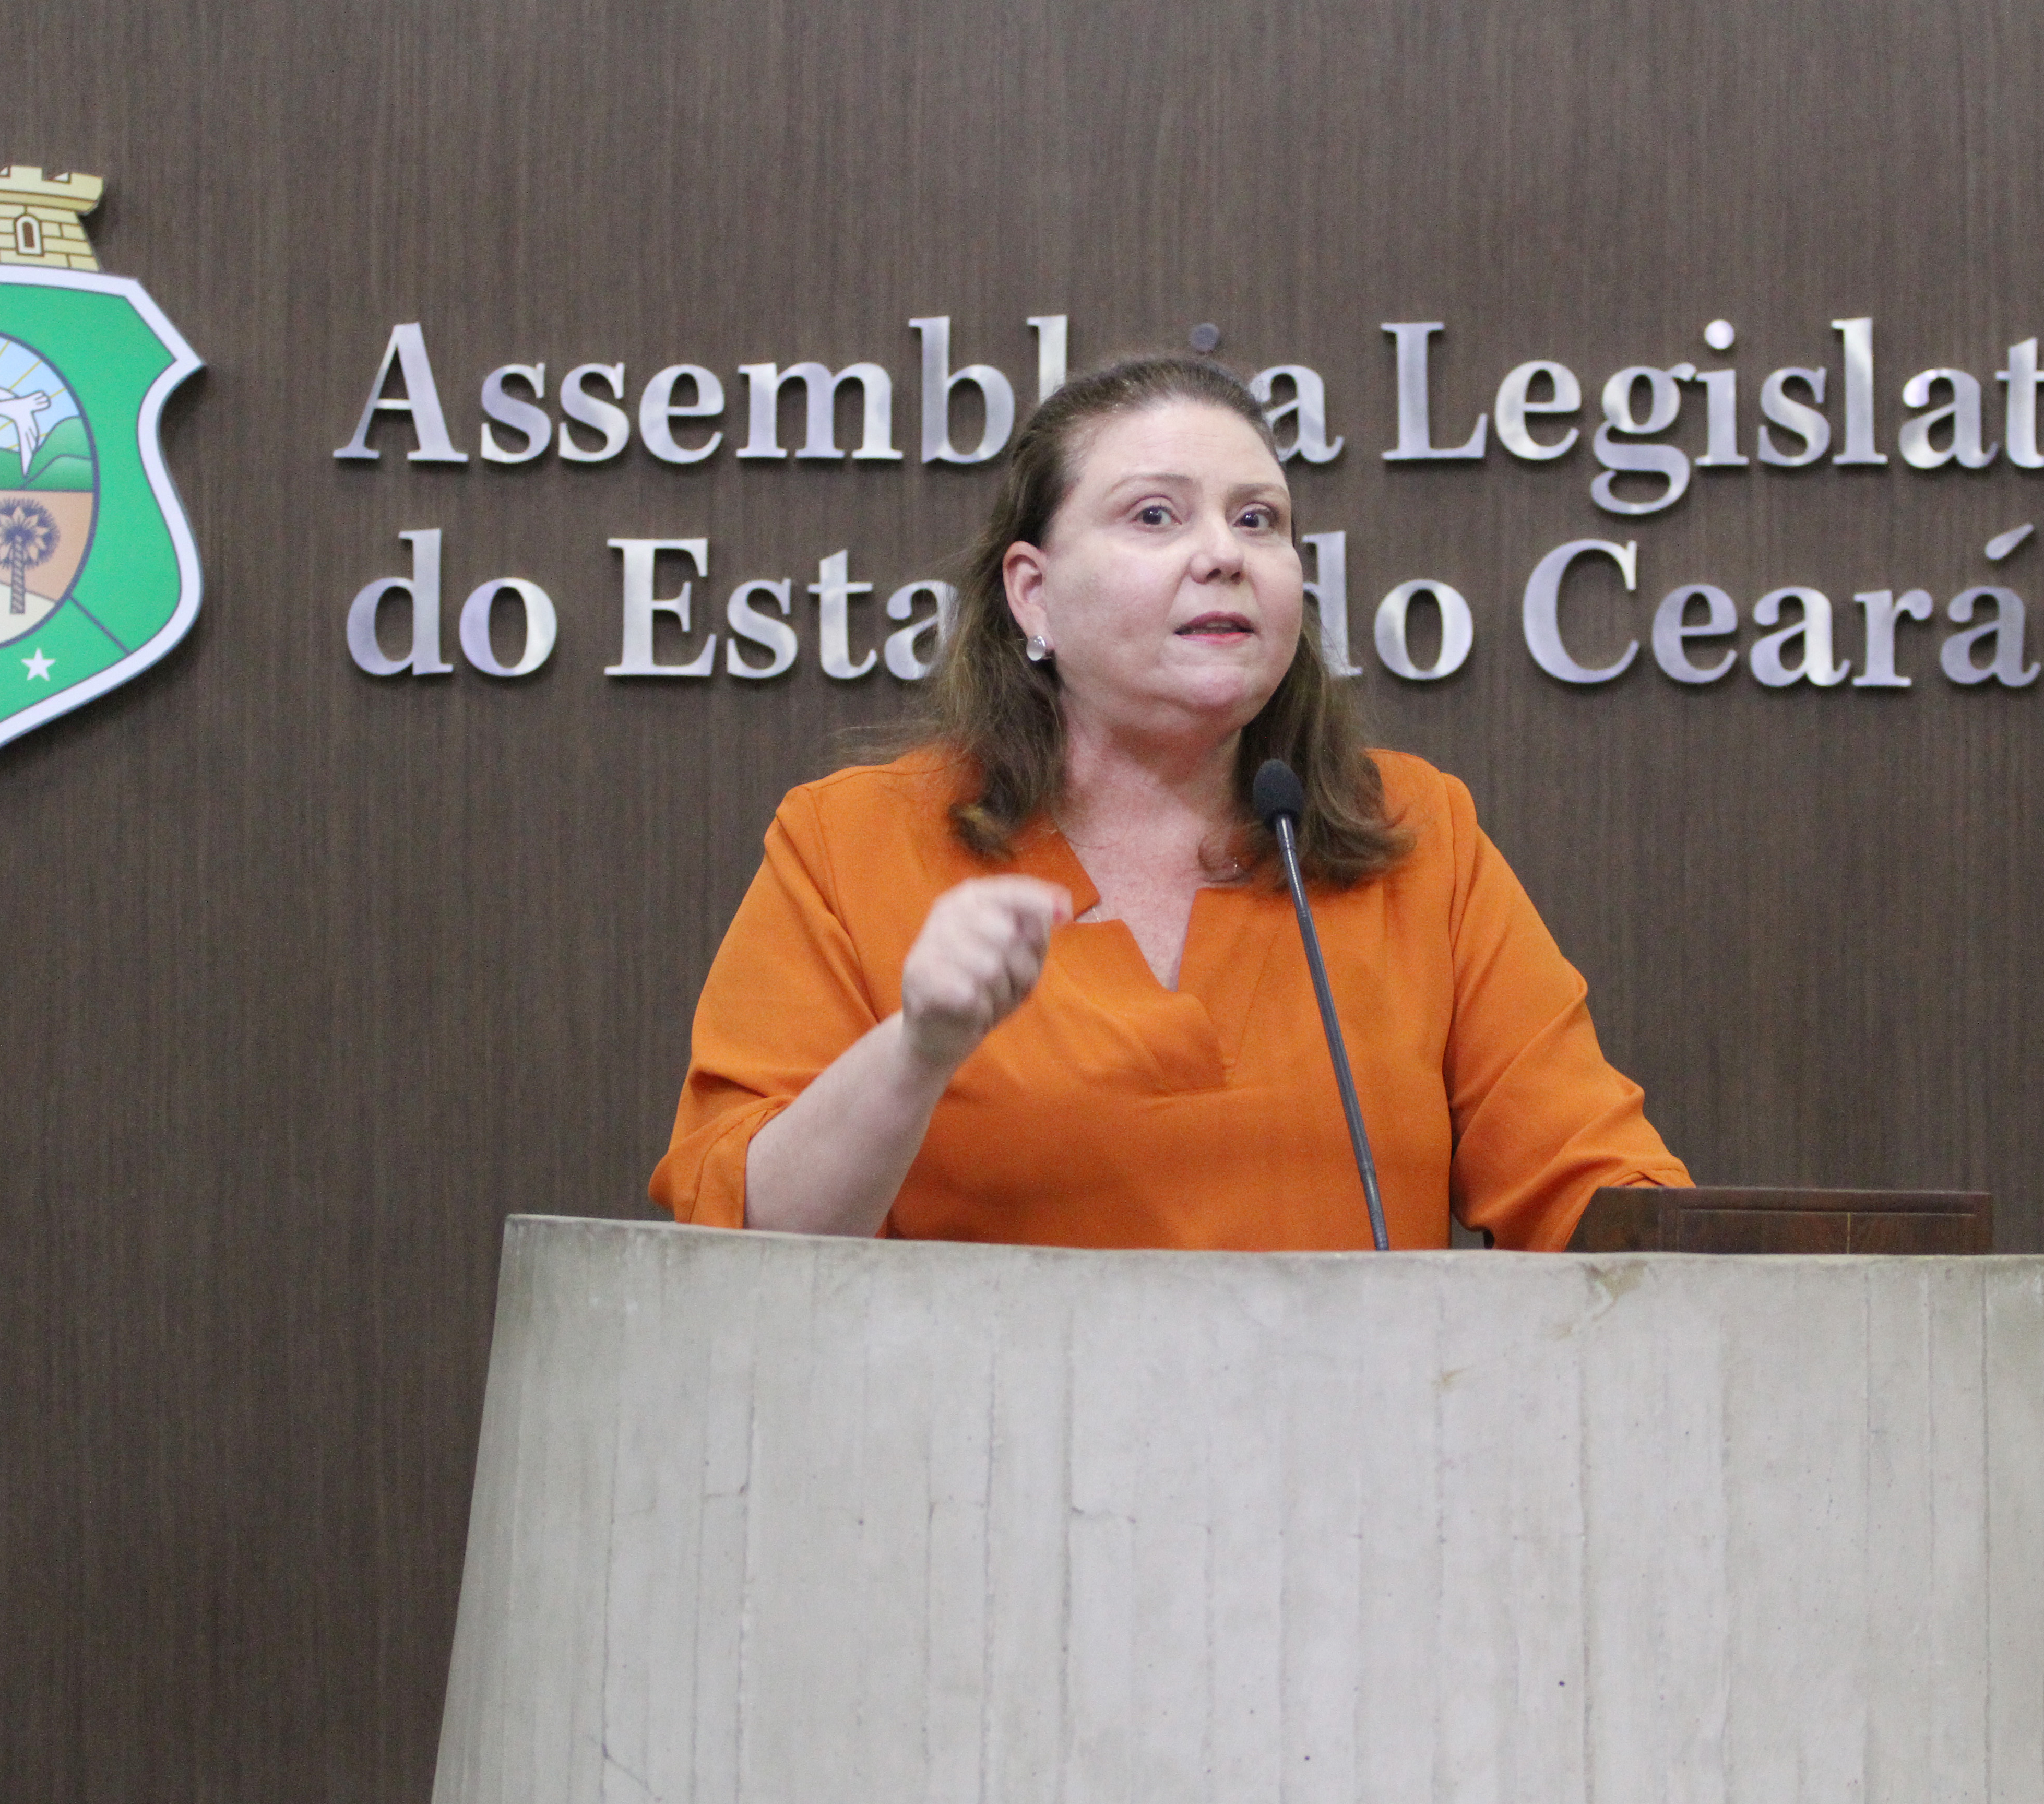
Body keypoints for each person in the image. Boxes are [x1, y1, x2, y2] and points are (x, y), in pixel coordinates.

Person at [651, 355, 1688, 1248]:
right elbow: (741, 1245)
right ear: (1033, 593)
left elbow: (1596, 1189)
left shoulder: (1415, 834)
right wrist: (918, 1048)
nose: (1224, 555)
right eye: (1156, 515)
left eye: (1259, 520)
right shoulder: (852, 843)